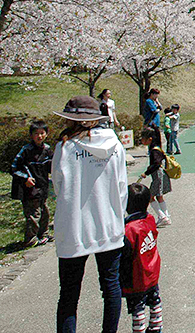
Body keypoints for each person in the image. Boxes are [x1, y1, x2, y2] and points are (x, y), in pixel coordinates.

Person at [52, 95, 128, 333]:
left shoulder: (64, 148)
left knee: (69, 294)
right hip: (108, 223)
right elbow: (122, 186)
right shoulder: (114, 144)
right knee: (111, 287)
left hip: (74, 226)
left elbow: (57, 186)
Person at [121, 183, 163, 333]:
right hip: (152, 270)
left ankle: (140, 330)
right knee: (154, 300)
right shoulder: (150, 219)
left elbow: (125, 253)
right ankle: (156, 327)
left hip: (137, 276)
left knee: (137, 307)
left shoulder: (129, 229)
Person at [11, 119, 53, 247]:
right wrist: (25, 179)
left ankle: (44, 234)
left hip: (43, 187)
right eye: (36, 133)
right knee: (34, 213)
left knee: (45, 211)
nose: (39, 136)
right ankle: (31, 238)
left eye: (42, 133)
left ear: (46, 134)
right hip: (29, 189)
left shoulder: (47, 149)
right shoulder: (26, 150)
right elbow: (14, 168)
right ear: (31, 135)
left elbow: (53, 166)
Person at [139, 127, 172, 227]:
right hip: (161, 174)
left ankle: (162, 216)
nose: (142, 141)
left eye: (143, 139)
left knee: (150, 196)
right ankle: (166, 216)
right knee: (159, 196)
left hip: (157, 175)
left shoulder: (154, 151)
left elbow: (156, 164)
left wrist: (146, 172)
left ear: (150, 139)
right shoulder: (157, 147)